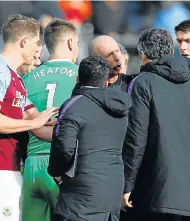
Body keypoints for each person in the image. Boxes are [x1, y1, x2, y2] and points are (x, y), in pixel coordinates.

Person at [122, 28, 190, 221]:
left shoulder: (142, 83)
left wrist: (127, 185)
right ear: (171, 51)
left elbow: (135, 139)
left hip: (160, 195)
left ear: (143, 55)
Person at [0, 14, 58, 221]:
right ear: (23, 42)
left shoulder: (16, 78)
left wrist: (72, 127)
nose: (38, 49)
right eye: (36, 43)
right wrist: (33, 122)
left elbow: (37, 120)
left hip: (11, 167)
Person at [48, 56, 132, 221]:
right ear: (106, 83)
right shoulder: (121, 108)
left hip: (79, 196)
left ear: (77, 79)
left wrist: (56, 172)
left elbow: (64, 146)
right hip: (112, 189)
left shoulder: (73, 105)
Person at [22, 18, 79, 221]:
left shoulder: (26, 79)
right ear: (71, 43)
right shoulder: (80, 76)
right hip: (62, 165)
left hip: (31, 167)